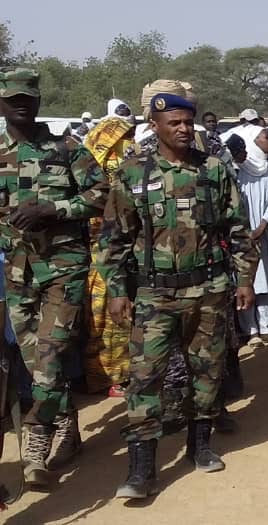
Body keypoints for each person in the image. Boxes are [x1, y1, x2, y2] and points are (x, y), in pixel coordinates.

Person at [99, 93, 257, 499]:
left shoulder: (215, 171)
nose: (184, 129)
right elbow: (114, 239)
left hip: (208, 289)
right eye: (175, 122)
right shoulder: (133, 173)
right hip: (154, 294)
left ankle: (200, 445)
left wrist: (243, 280)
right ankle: (141, 469)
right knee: (145, 378)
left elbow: (238, 229)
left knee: (207, 373)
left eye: (188, 122)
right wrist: (117, 291)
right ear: (155, 126)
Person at [0, 67, 109, 487]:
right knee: (36, 360)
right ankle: (67, 426)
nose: (22, 104)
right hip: (16, 272)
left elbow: (102, 194)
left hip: (64, 268)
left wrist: (55, 210)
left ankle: (35, 442)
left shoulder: (66, 148)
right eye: (14, 99)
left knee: (47, 358)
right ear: (2, 103)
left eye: (29, 97)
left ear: (40, 101)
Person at [82, 109, 138, 398]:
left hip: (120, 253)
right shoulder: (99, 170)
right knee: (103, 320)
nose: (130, 142)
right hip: (98, 256)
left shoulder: (125, 165)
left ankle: (122, 374)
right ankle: (105, 378)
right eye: (124, 137)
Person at [235, 129, 268, 346]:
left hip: (264, 231)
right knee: (246, 280)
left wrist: (264, 224)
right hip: (242, 235)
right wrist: (244, 230)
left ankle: (266, 328)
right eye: (265, 138)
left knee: (266, 279)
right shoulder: (236, 171)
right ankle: (250, 330)